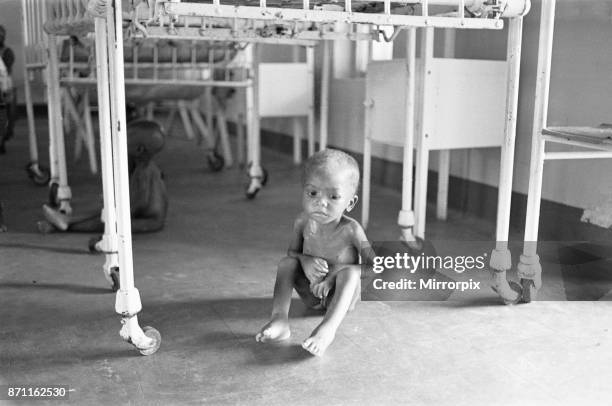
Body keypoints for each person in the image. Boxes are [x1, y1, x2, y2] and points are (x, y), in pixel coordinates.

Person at [256, 149, 373, 356]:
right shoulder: (302, 222)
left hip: (339, 298)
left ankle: (327, 329)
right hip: (310, 293)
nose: (321, 202)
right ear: (303, 192)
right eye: (312, 193)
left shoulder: (351, 230)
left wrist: (334, 275)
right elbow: (292, 253)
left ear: (350, 203)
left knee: (351, 273)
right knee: (286, 263)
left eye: (334, 196)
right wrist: (305, 260)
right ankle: (279, 319)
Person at [38, 119, 168, 235]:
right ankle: (64, 224)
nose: (118, 140)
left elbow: (133, 208)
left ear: (139, 150)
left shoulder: (144, 173)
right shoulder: (135, 162)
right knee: (106, 215)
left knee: (111, 223)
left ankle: (68, 224)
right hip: (136, 213)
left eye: (124, 139)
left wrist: (111, 213)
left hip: (149, 221)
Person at [0, 25, 17, 154]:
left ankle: (3, 138)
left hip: (4, 87)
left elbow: (6, 69)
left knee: (6, 115)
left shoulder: (7, 52)